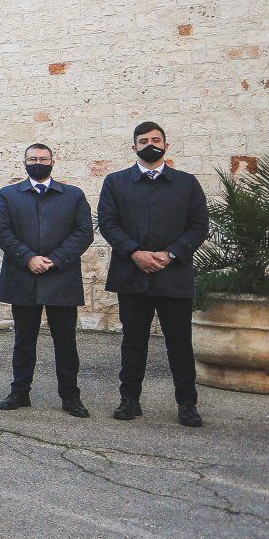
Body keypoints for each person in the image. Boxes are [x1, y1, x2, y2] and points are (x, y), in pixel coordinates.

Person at [98, 120, 211, 426]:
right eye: (144, 140)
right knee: (133, 342)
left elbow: (199, 225)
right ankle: (129, 401)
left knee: (179, 343)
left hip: (174, 275)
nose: (151, 144)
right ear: (133, 146)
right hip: (132, 275)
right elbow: (107, 223)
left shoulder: (186, 183)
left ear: (166, 145)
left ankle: (187, 404)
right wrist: (134, 252)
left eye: (156, 139)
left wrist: (171, 253)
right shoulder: (115, 182)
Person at [0, 143, 95, 417]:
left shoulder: (73, 195)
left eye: (43, 158)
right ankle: (20, 392)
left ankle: (70, 396)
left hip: (61, 278)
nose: (38, 162)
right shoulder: (8, 195)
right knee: (24, 341)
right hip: (23, 277)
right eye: (33, 159)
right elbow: (2, 231)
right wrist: (27, 258)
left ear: (53, 161)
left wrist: (55, 259)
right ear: (24, 163)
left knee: (66, 342)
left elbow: (84, 232)